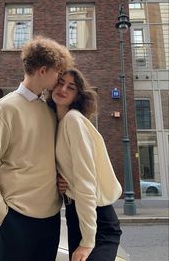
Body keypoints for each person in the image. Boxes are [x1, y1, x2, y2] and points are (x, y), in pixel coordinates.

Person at [0, 36, 74, 261]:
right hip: (14, 222)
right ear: (43, 71)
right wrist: (3, 216)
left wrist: (59, 178)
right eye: (58, 73)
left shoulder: (49, 111)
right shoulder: (5, 109)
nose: (59, 79)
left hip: (50, 222)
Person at [48, 68, 122, 261]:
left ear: (77, 96)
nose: (63, 89)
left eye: (70, 87)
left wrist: (88, 241)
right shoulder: (58, 122)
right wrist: (59, 177)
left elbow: (86, 180)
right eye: (60, 82)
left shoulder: (73, 120)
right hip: (76, 215)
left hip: (97, 220)